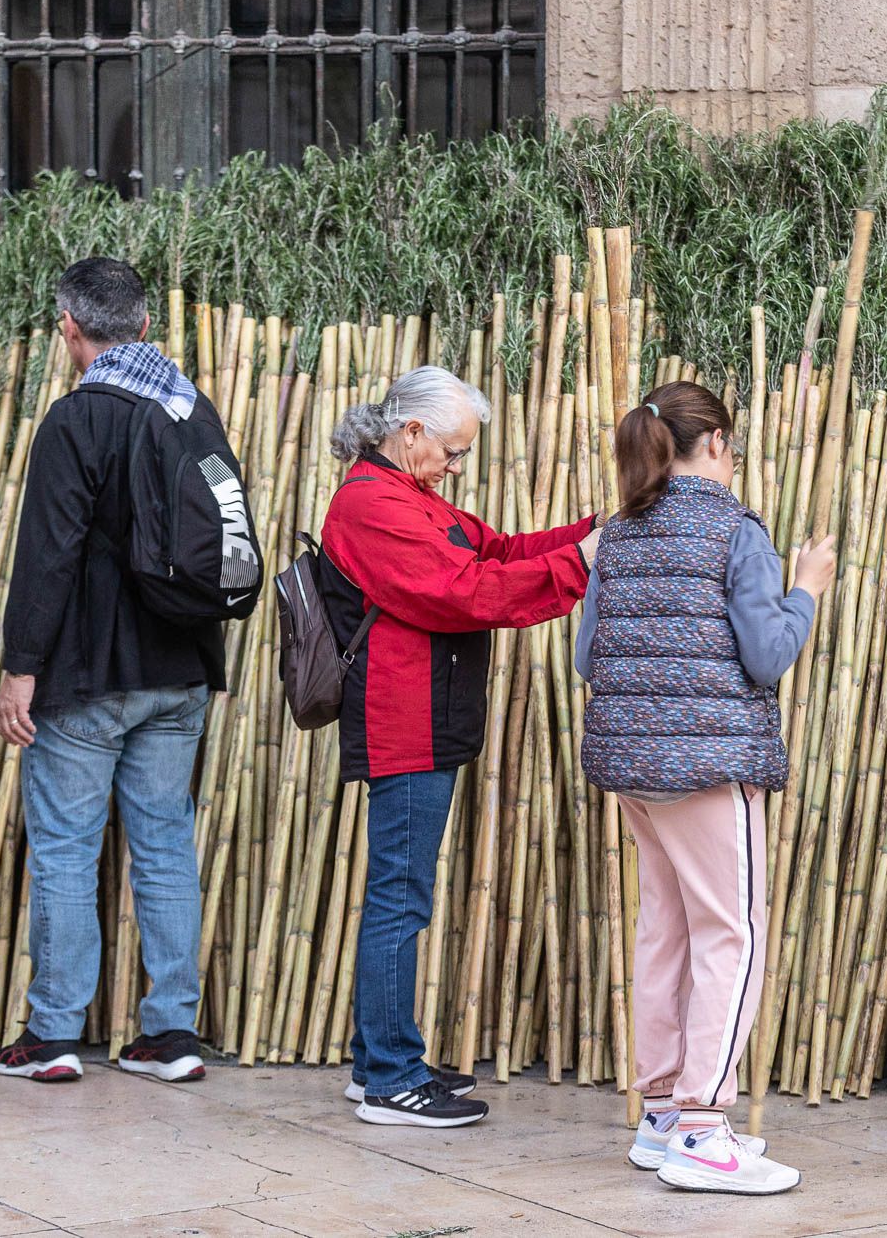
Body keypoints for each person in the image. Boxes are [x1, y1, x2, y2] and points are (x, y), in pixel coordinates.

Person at [318, 365, 598, 1127]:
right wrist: (583, 562)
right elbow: (465, 591)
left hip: (425, 715)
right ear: (410, 432)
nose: (455, 465)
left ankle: (382, 1055)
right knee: (398, 897)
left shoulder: (407, 496)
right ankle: (388, 1079)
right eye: (451, 450)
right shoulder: (371, 505)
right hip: (401, 719)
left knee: (399, 893)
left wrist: (592, 531)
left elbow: (498, 552)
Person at [575, 381, 832, 1195]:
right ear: (716, 442)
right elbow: (768, 654)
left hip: (633, 768)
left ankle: (659, 1115)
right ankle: (702, 1125)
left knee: (668, 930)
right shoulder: (738, 530)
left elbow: (588, 658)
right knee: (734, 935)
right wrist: (810, 586)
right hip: (711, 768)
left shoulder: (617, 534)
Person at [0, 258, 224, 1084]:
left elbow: (46, 558)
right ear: (147, 327)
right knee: (164, 845)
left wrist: (21, 670)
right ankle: (170, 1034)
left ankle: (53, 1032)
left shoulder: (75, 420)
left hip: (89, 675)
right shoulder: (192, 409)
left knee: (63, 848)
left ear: (68, 328)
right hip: (182, 669)